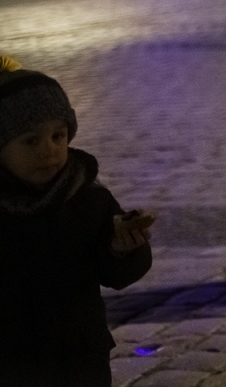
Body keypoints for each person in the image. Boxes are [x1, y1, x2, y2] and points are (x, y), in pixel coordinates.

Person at [0, 67, 154, 385]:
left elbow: (114, 274)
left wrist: (121, 249)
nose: (49, 150)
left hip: (80, 355)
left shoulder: (87, 196)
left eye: (58, 136)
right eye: (30, 141)